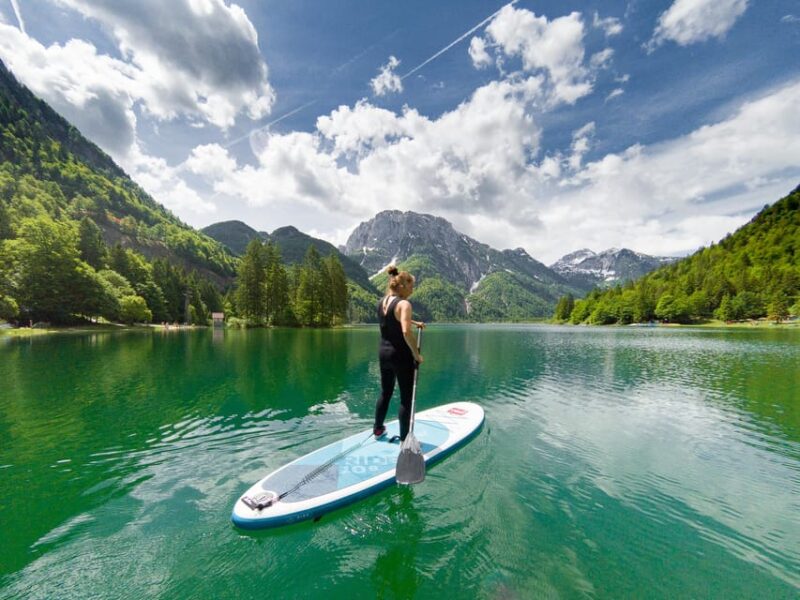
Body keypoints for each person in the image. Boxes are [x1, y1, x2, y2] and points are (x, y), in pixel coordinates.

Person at [374, 265, 425, 442]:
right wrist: (416, 355)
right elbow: (405, 331)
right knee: (406, 398)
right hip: (401, 356)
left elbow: (392, 319)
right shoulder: (404, 303)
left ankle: (378, 429)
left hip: (384, 353)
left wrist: (414, 321)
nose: (412, 290)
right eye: (411, 286)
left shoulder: (383, 301)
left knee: (385, 392)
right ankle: (405, 439)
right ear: (402, 286)